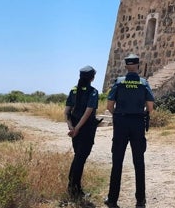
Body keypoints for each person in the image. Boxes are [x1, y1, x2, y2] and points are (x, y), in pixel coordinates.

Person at [105, 54, 155, 208]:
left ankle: (112, 200)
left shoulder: (119, 82)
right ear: (138, 66)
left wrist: (118, 115)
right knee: (139, 162)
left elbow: (109, 105)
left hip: (121, 123)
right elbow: (150, 107)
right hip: (138, 123)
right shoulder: (143, 83)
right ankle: (140, 200)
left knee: (117, 162)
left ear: (126, 66)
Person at [64, 65, 100, 200]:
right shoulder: (93, 92)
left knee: (78, 156)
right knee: (80, 158)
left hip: (74, 129)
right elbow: (88, 113)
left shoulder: (73, 90)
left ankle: (74, 187)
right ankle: (74, 190)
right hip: (86, 129)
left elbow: (67, 111)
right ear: (92, 78)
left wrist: (71, 127)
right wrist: (77, 128)